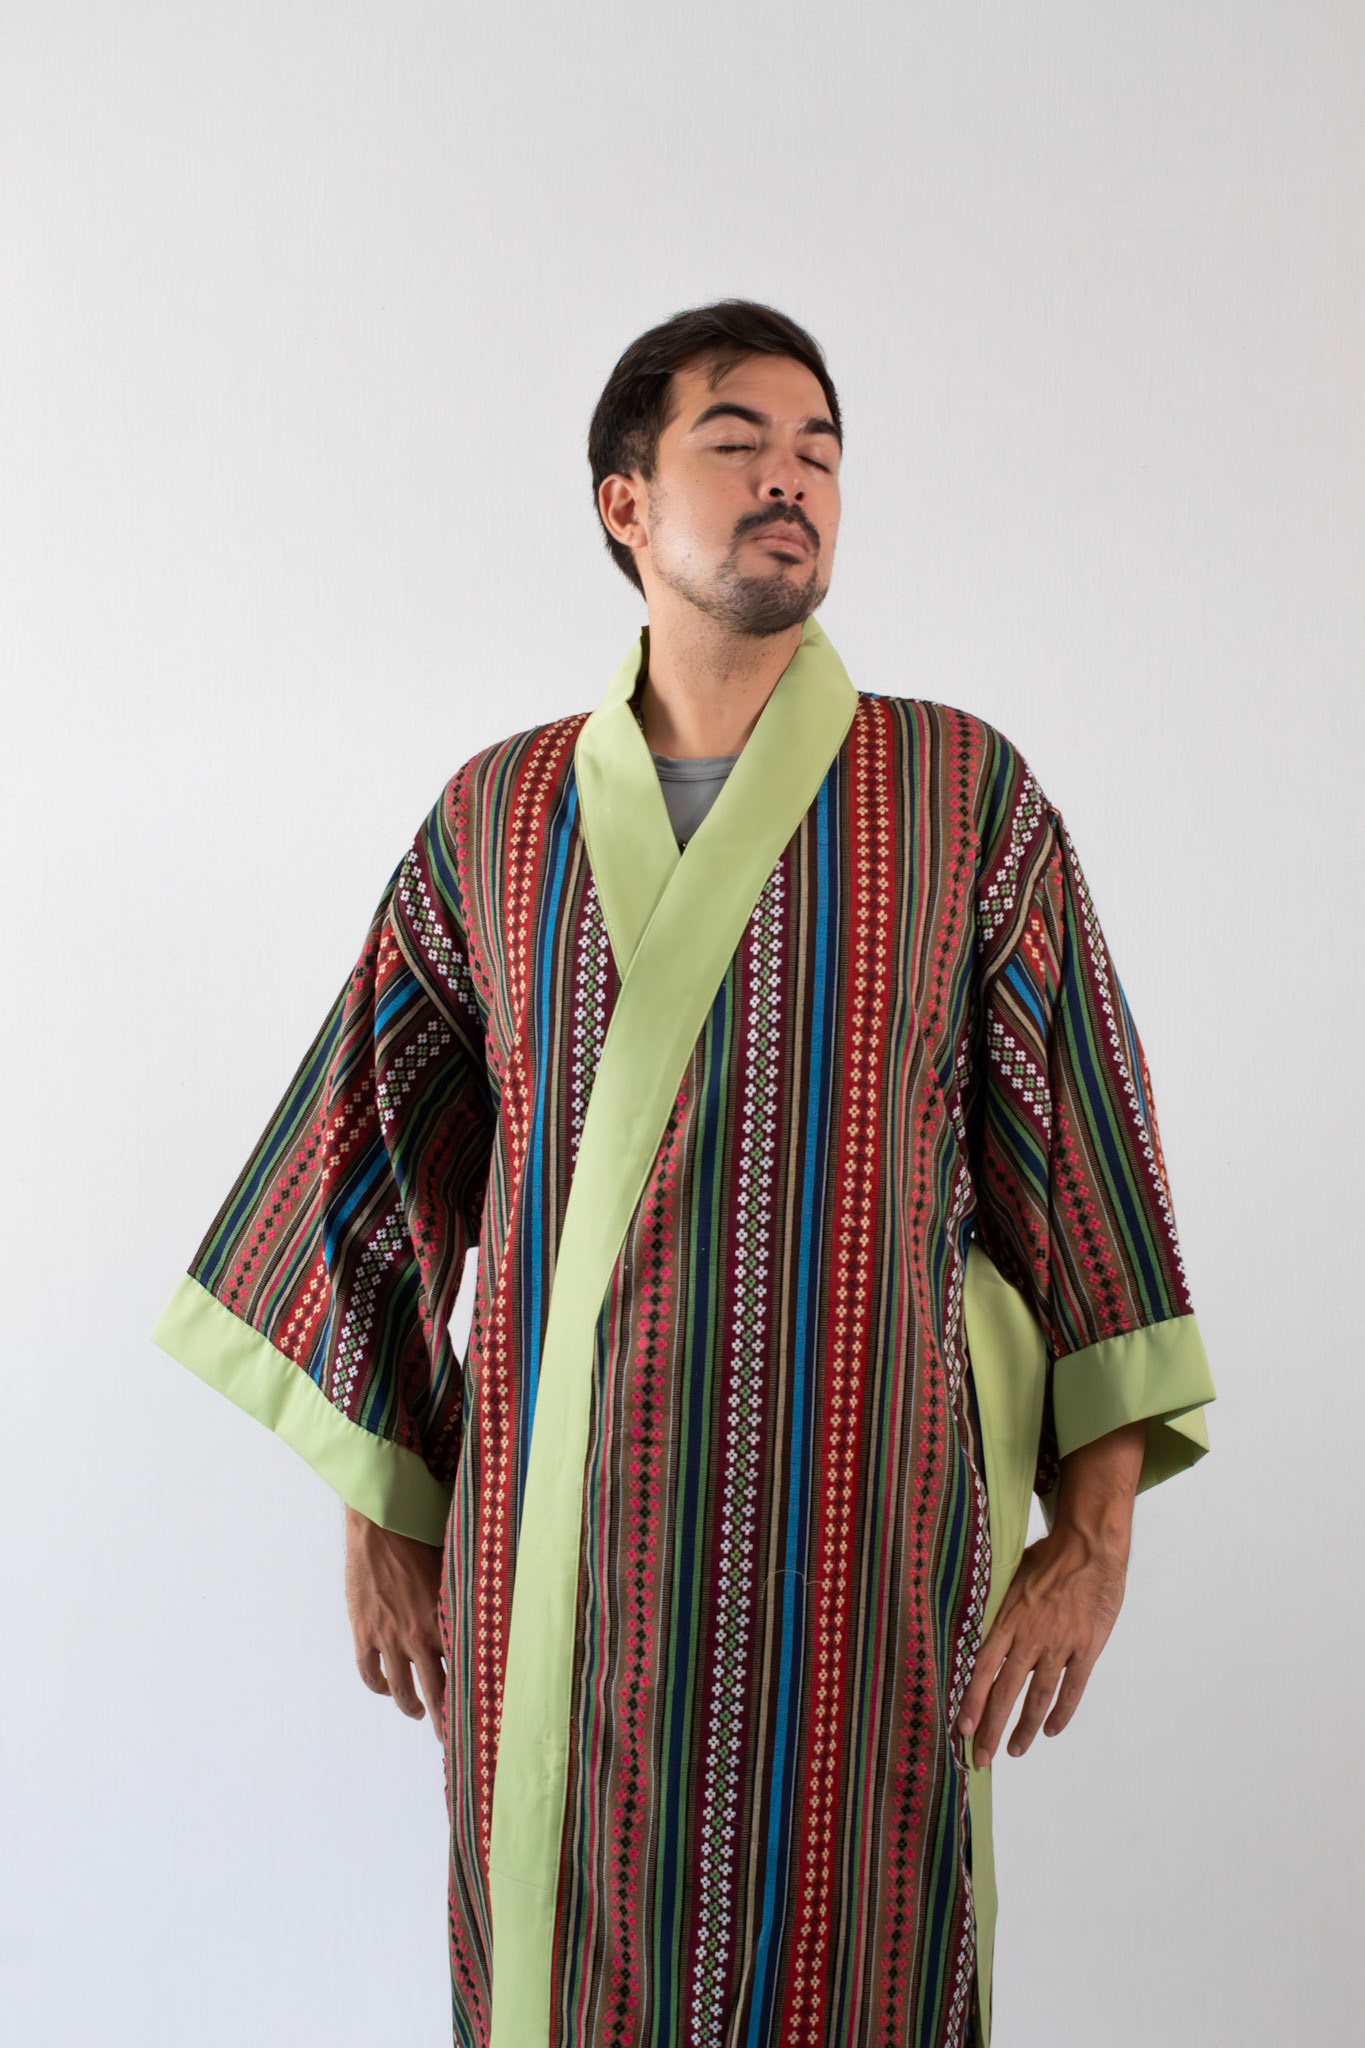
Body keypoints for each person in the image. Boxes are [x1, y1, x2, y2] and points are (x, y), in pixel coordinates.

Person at [151, 299, 1216, 2048]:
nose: (791, 480)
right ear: (624, 503)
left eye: (819, 453)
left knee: (867, 1955)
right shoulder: (496, 819)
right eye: (739, 443)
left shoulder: (959, 797)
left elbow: (1082, 1168)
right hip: (562, 1543)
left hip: (866, 1535)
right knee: (567, 1956)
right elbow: (368, 1174)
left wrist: (1092, 1537)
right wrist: (380, 1516)